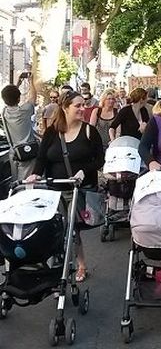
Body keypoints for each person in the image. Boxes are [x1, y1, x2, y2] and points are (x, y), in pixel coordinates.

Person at [26, 90, 104, 282]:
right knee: (53, 229)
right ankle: (56, 268)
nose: (82, 109)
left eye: (83, 105)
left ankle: (81, 264)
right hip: (55, 189)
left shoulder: (88, 131)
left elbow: (100, 159)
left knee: (72, 229)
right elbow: (43, 157)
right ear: (65, 108)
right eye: (77, 106)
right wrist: (35, 173)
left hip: (79, 189)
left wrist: (84, 171)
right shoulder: (53, 132)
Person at [1, 81, 38, 181]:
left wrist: (18, 83)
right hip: (27, 152)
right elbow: (33, 97)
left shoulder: (4, 112)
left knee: (15, 181)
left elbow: (9, 96)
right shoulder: (24, 110)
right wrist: (32, 81)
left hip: (14, 151)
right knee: (26, 183)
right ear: (19, 98)